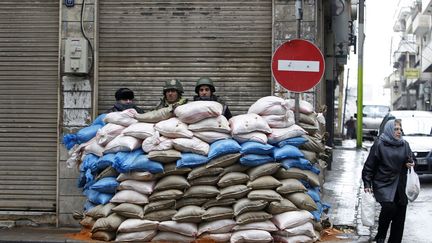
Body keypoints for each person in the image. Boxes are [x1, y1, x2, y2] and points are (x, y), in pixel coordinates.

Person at [362, 119, 415, 243]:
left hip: (400, 184)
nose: (399, 131)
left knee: (400, 213)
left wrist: (411, 163)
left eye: (400, 129)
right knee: (389, 207)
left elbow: (412, 159)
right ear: (389, 130)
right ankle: (381, 234)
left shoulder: (405, 144)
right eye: (396, 129)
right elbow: (369, 166)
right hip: (383, 183)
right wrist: (367, 183)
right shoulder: (379, 144)